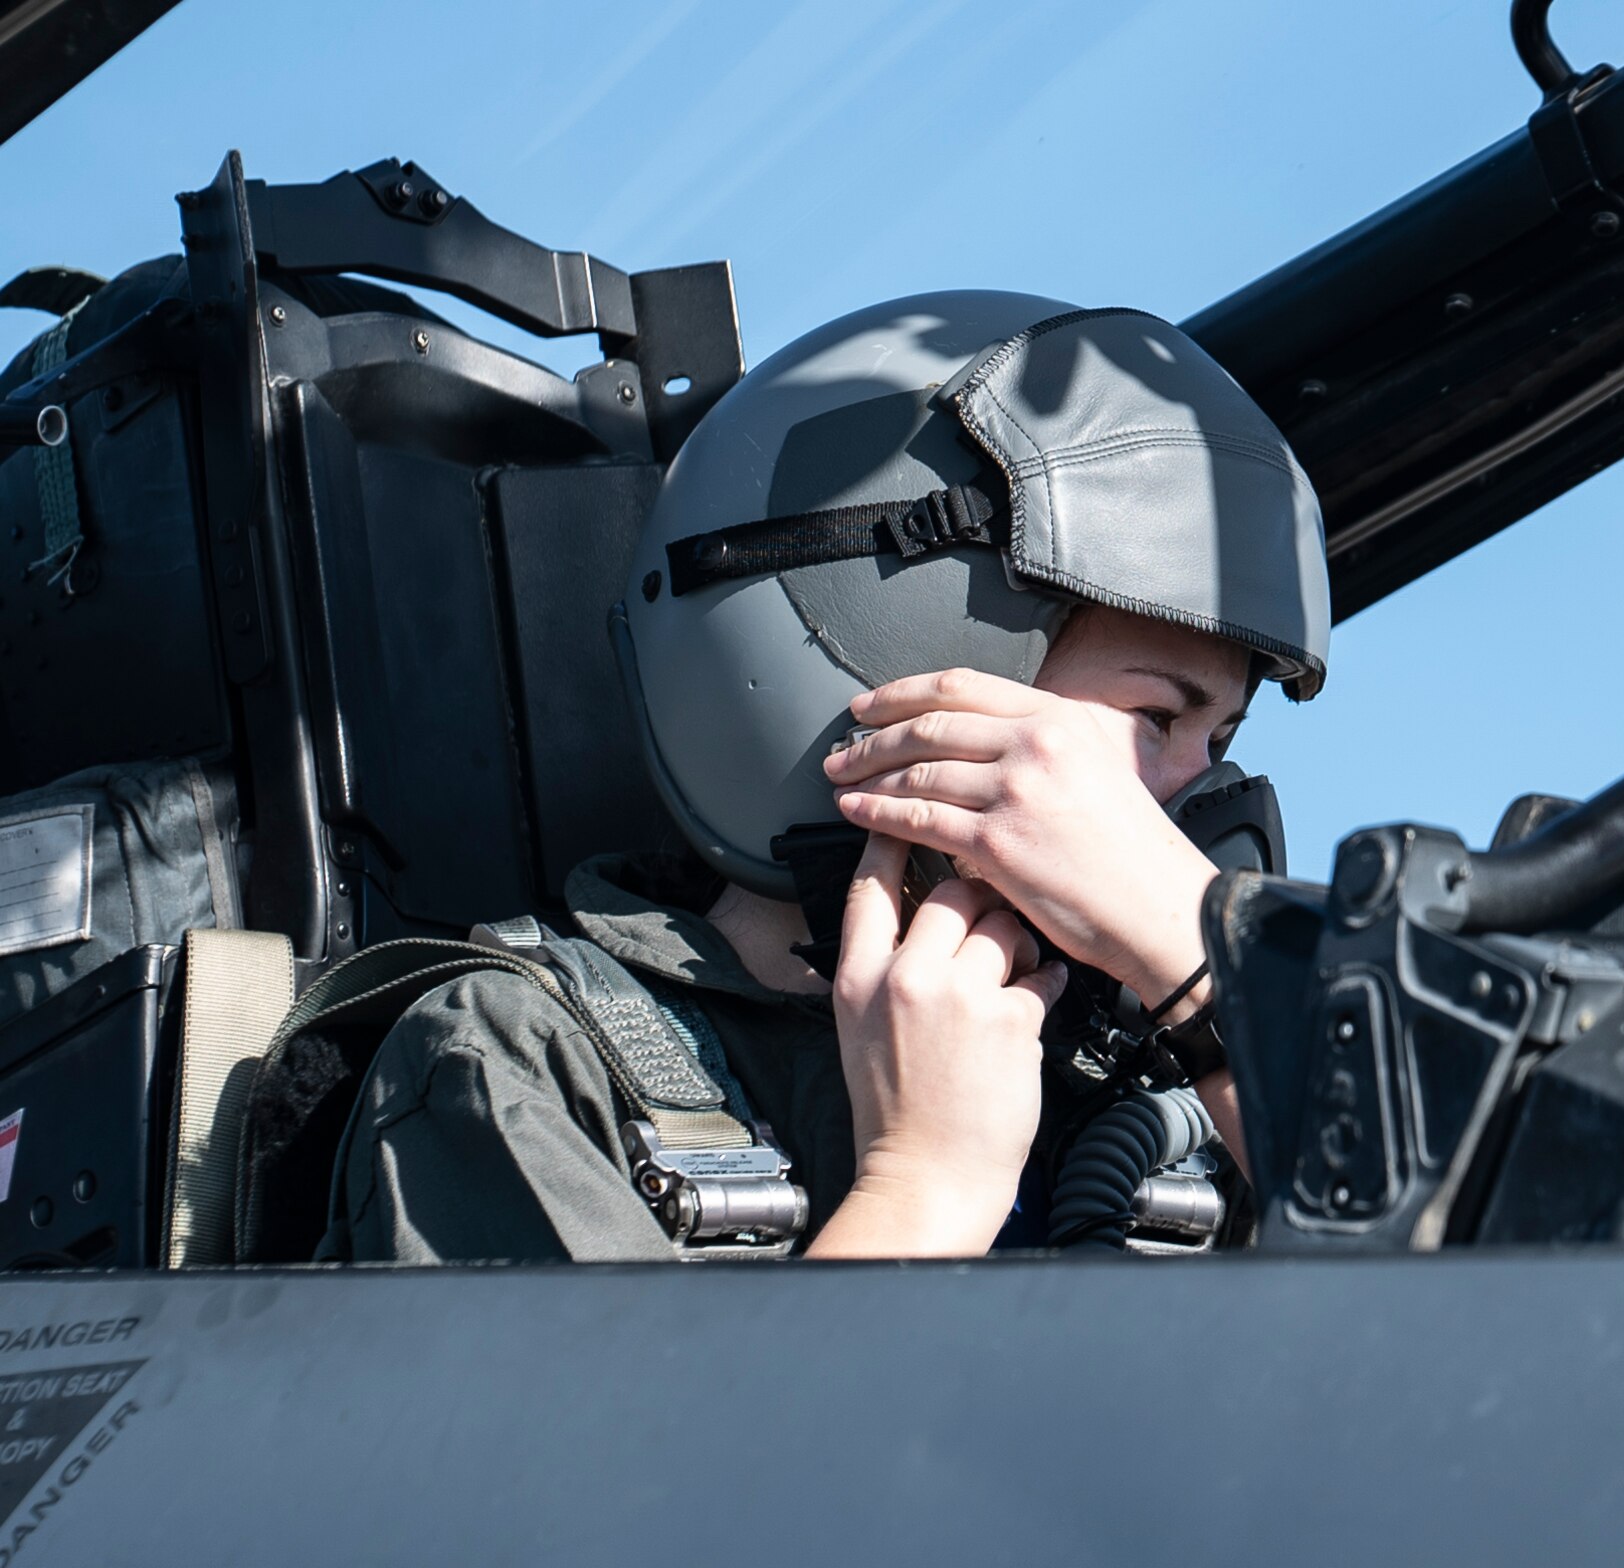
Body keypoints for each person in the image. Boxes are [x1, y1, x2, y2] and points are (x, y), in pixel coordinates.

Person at [316, 292, 1329, 1262]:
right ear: (914, 659)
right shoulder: (516, 1066)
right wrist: (921, 1183)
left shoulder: (1162, 1107)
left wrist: (1209, 993)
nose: (1189, 794)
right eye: (1154, 718)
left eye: (1217, 740)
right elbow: (616, 1451)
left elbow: (1468, 1340)